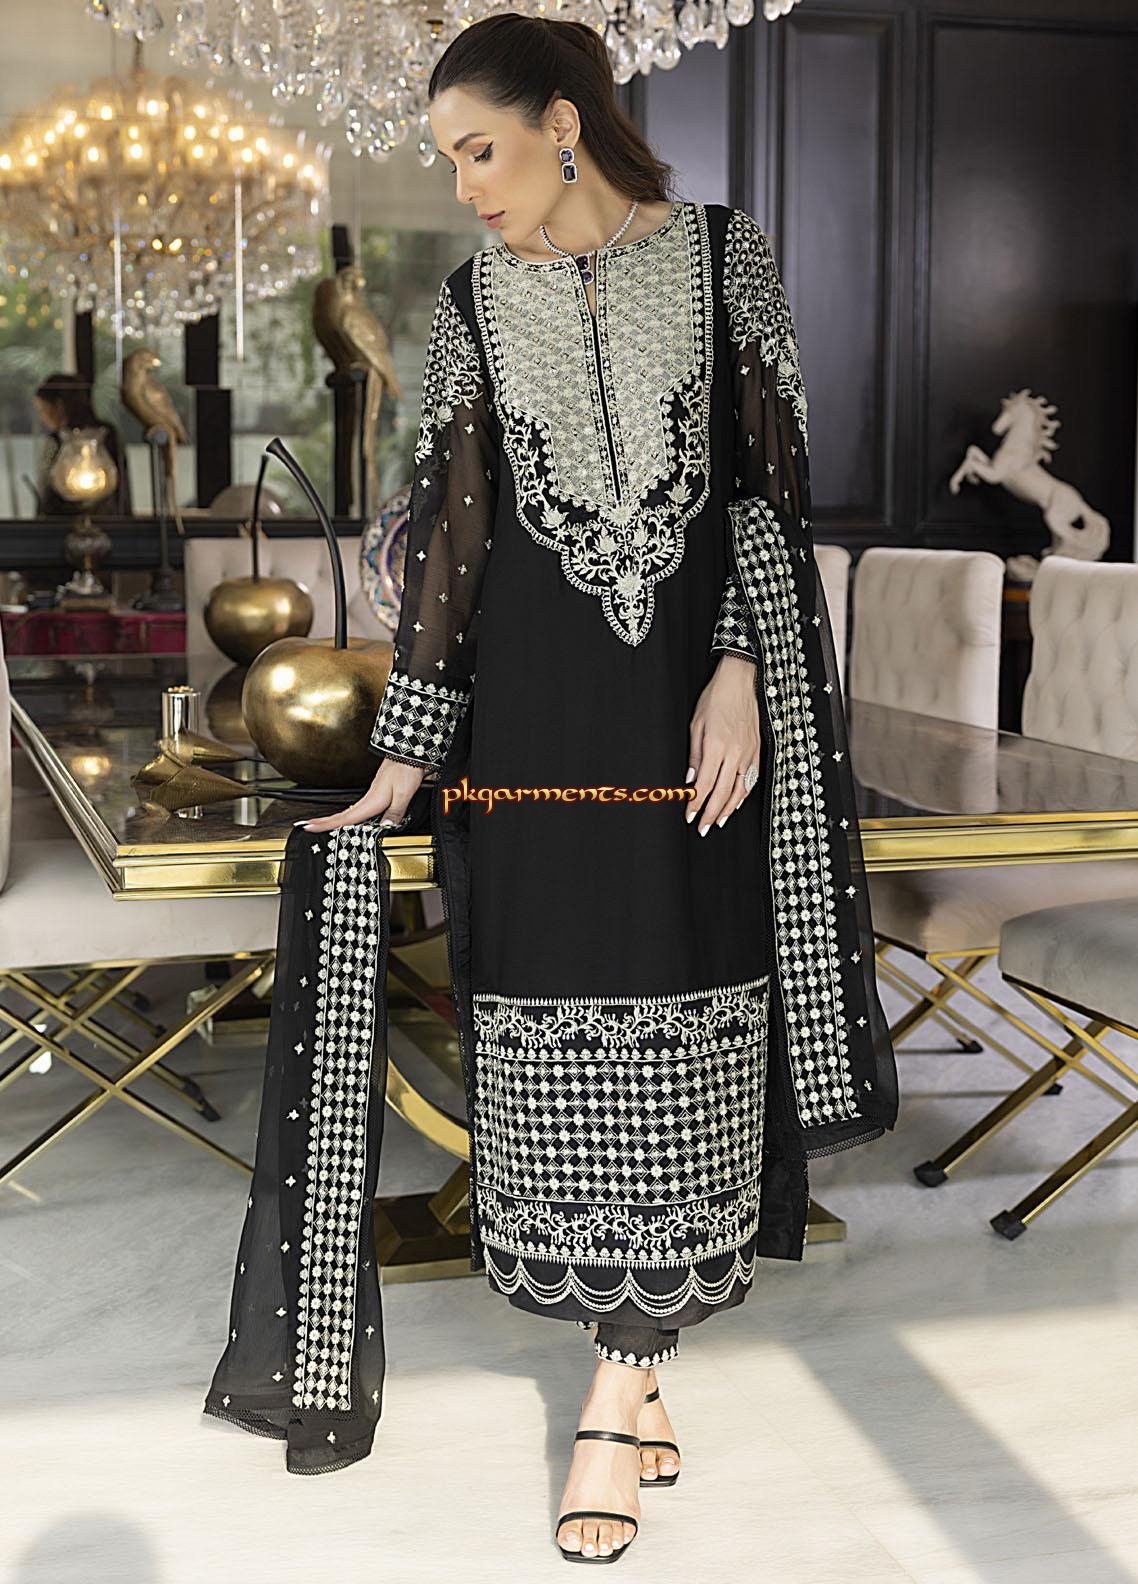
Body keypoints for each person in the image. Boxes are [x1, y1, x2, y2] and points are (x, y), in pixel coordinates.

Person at [299, 11, 898, 1562]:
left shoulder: (718, 256)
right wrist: (406, 755)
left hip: (688, 721)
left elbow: (772, 487)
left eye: (478, 151)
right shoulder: (470, 303)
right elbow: (450, 545)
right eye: (448, 162)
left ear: (562, 123)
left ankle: (610, 1402)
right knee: (555, 1038)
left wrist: (742, 666)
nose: (465, 188)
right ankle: (635, 1366)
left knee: (684, 1024)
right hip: (531, 736)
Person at [33, 371, 132, 518]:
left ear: (59, 405)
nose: (42, 418)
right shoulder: (56, 441)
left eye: (43, 409)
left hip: (103, 518)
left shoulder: (105, 437)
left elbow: (121, 487)